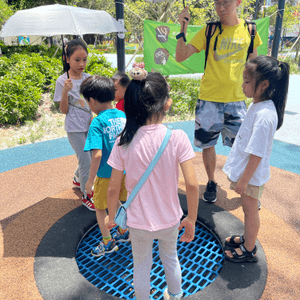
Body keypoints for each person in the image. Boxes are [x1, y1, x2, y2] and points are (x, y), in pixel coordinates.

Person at [105, 72, 199, 300]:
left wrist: (112, 216)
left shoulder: (123, 141)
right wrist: (192, 219)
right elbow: (193, 185)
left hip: (138, 222)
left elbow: (112, 188)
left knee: (141, 266)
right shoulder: (177, 137)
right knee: (170, 258)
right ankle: (175, 295)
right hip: (170, 220)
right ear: (166, 103)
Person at [176, 1, 262, 203]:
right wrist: (183, 27)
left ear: (238, 2)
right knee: (207, 144)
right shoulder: (210, 29)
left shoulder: (249, 30)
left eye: (226, 2)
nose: (221, 7)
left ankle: (248, 187)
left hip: (238, 100)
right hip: (209, 100)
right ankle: (211, 182)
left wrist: (257, 96)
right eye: (217, 3)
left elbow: (253, 67)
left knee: (244, 146)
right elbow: (180, 56)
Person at [222, 55, 289, 262]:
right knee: (247, 208)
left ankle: (249, 249)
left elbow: (257, 153)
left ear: (264, 84)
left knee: (251, 211)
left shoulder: (264, 115)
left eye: (247, 81)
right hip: (248, 174)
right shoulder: (258, 106)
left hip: (251, 176)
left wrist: (243, 180)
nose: (242, 85)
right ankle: (246, 238)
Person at [80, 75, 128, 257]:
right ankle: (123, 231)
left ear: (92, 101)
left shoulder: (97, 122)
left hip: (106, 175)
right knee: (117, 201)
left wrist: (89, 181)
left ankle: (107, 242)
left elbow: (97, 154)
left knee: (100, 208)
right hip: (123, 172)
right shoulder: (123, 116)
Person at [53, 39, 95, 211]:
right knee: (87, 162)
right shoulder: (62, 81)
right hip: (74, 128)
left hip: (89, 125)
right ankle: (87, 195)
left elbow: (93, 102)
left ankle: (78, 178)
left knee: (90, 156)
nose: (81, 63)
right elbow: (63, 110)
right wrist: (65, 92)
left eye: (84, 59)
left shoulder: (88, 78)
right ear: (67, 58)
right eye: (77, 59)